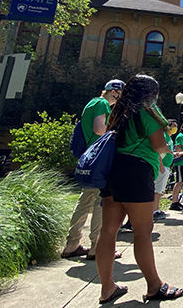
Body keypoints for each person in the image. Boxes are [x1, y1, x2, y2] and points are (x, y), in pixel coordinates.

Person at [96, 74, 183, 303]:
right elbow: (158, 144)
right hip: (138, 171)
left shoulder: (117, 112)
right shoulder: (148, 110)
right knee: (142, 232)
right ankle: (154, 286)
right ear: (150, 93)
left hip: (114, 170)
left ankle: (106, 288)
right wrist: (168, 152)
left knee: (108, 231)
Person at [62, 79, 124, 261]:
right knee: (100, 203)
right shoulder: (102, 103)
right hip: (100, 161)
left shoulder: (91, 103)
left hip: (88, 159)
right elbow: (99, 129)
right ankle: (98, 247)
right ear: (115, 92)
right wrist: (115, 133)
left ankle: (72, 244)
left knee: (84, 202)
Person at [152, 119, 181, 220]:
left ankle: (156, 209)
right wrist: (161, 166)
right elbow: (158, 151)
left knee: (159, 191)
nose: (175, 128)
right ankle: (154, 211)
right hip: (162, 166)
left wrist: (174, 154)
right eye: (173, 126)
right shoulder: (163, 136)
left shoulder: (169, 138)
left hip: (166, 166)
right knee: (157, 190)